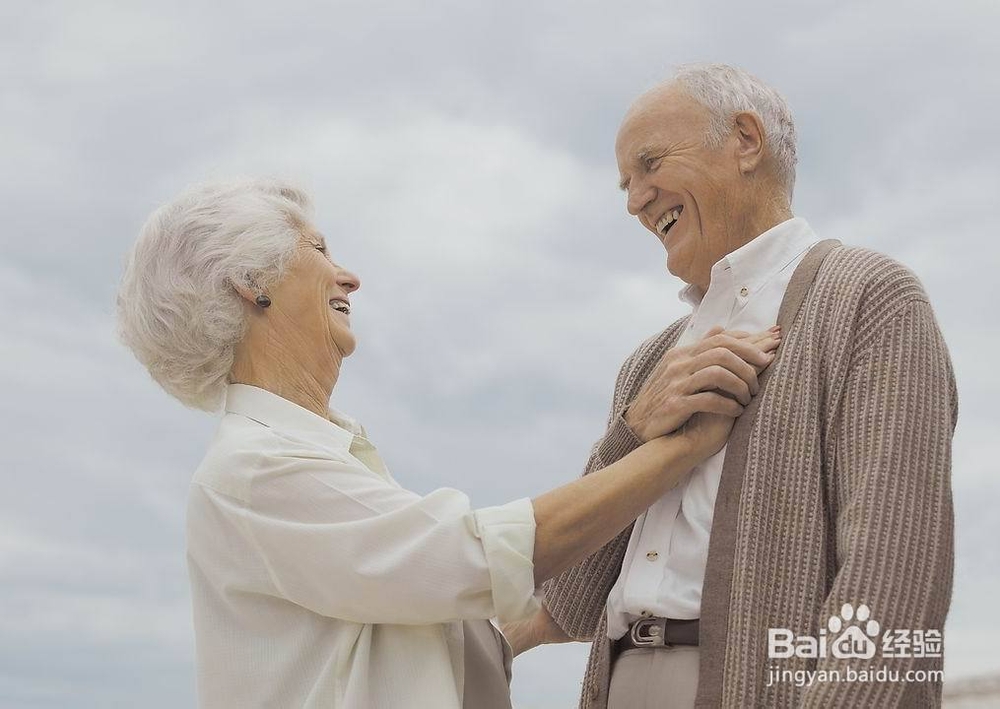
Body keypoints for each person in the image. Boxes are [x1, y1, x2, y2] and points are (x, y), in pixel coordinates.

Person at [115, 179, 780, 708]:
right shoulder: (255, 469)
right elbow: (468, 557)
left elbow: (421, 616)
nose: (349, 277)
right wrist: (679, 446)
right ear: (250, 283)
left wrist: (549, 615)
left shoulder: (311, 458)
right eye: (319, 251)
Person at [509, 63, 957, 708]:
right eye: (626, 184)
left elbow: (894, 569)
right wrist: (632, 433)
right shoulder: (650, 360)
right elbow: (574, 598)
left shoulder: (869, 297)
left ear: (747, 139)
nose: (635, 199)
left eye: (650, 163)